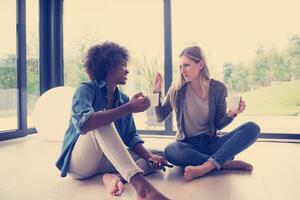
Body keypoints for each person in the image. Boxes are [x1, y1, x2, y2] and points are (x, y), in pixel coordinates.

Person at [56, 41, 170, 200]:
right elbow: (86, 124)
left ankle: (113, 177)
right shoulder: (86, 89)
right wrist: (129, 108)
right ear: (109, 66)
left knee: (159, 155)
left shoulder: (123, 99)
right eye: (123, 65)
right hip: (80, 163)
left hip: (106, 160)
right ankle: (143, 189)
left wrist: (149, 157)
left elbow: (131, 137)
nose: (127, 70)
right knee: (100, 121)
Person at [153, 45, 260, 181]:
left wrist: (232, 113)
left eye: (187, 65)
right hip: (188, 146)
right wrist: (156, 92)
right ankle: (224, 163)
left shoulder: (218, 89)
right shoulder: (177, 89)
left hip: (212, 143)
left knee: (252, 128)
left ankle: (205, 167)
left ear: (201, 65)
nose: (182, 71)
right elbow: (159, 117)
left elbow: (218, 124)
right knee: (170, 151)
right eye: (180, 66)